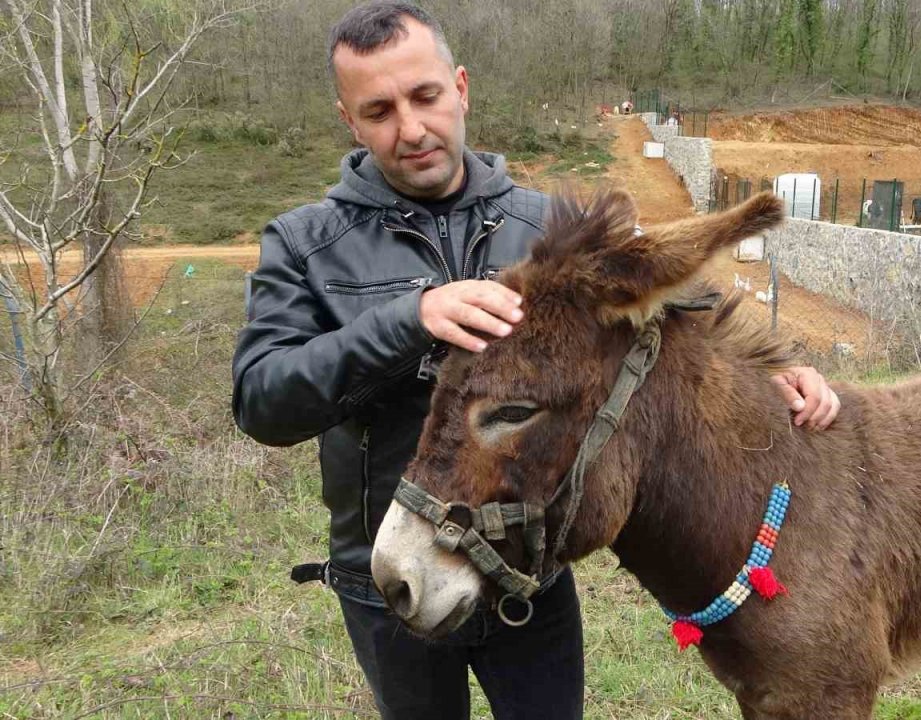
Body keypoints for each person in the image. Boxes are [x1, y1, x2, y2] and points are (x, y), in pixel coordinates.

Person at [230, 2, 841, 718]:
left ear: (460, 87)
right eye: (380, 110)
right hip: (397, 573)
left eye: (425, 96)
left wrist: (776, 379)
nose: (412, 128)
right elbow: (262, 400)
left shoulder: (550, 228)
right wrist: (408, 320)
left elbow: (676, 331)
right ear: (350, 120)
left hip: (529, 580)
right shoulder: (304, 244)